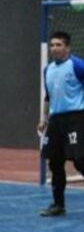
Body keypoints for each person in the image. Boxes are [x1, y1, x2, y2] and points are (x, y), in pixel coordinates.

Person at [38, 30, 84, 217]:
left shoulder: (78, 65)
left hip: (76, 118)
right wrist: (44, 118)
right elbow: (48, 97)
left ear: (67, 47)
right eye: (52, 45)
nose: (55, 48)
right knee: (55, 163)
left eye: (59, 45)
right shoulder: (48, 69)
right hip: (56, 120)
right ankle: (58, 205)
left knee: (80, 161)